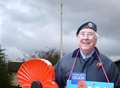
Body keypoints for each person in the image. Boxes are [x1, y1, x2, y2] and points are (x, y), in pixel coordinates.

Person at [55, 21, 120, 88]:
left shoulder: (108, 65)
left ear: (95, 39)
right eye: (82, 34)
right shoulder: (64, 62)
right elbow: (53, 84)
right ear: (78, 37)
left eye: (90, 34)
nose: (85, 38)